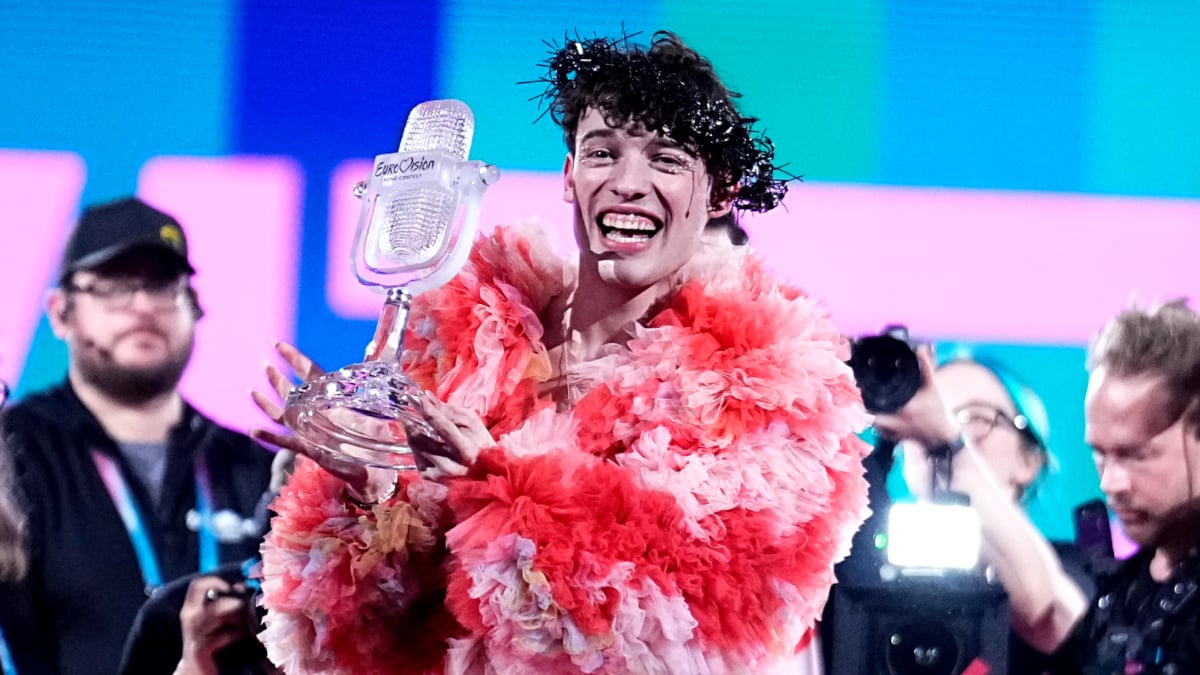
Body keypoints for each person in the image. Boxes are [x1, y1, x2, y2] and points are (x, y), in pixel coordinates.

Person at [251, 31, 871, 674]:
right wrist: (369, 498)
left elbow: (677, 639)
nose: (628, 183)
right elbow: (344, 644)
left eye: (666, 159)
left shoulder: (772, 386)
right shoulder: (461, 341)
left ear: (719, 193)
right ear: (571, 177)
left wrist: (494, 480)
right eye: (603, 153)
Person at [1, 197, 275, 675]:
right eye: (114, 286)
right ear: (60, 312)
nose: (144, 305)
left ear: (195, 308)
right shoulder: (10, 455)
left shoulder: (253, 465)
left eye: (162, 285)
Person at [878, 299, 1200, 674]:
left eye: (1137, 455)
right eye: (1101, 454)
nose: (1110, 482)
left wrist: (949, 444)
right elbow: (1050, 619)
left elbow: (1044, 605)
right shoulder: (1128, 589)